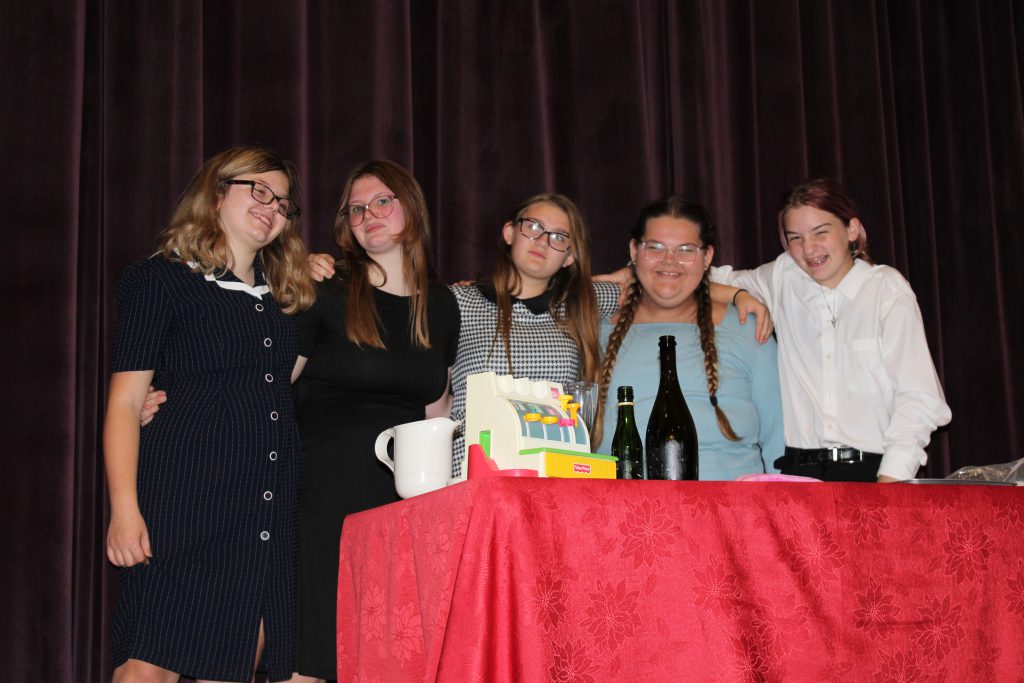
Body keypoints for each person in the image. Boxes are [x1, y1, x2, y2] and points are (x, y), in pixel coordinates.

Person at [309, 193, 770, 474]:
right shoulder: (455, 302)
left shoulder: (586, 301)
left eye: (559, 237)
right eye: (532, 227)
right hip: (471, 480)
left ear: (570, 256)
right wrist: (324, 268)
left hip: (551, 483)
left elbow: (654, 273)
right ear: (509, 232)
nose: (542, 242)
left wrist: (737, 293)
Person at [103, 146, 314, 682]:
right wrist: (125, 509)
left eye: (283, 202)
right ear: (217, 193)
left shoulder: (287, 298)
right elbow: (127, 402)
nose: (271, 206)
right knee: (150, 665)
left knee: (236, 662)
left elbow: (276, 383)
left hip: (264, 506)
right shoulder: (159, 280)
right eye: (258, 190)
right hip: (184, 499)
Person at [291, 160, 459, 681]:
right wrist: (168, 399)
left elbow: (437, 409)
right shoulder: (326, 287)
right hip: (322, 493)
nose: (369, 215)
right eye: (356, 209)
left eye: (382, 201)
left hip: (401, 501)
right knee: (311, 659)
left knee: (387, 658)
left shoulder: (443, 303)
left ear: (410, 207)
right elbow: (266, 382)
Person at [710, 177, 951, 482]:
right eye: (795, 237)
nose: (808, 249)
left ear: (851, 230)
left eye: (820, 233)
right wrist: (738, 295)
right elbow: (697, 278)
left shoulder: (886, 289)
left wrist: (891, 480)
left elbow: (918, 397)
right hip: (799, 474)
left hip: (875, 474)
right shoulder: (784, 275)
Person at [593, 196, 784, 479]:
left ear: (707, 257)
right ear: (634, 250)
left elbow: (776, 440)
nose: (670, 261)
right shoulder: (595, 330)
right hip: (622, 513)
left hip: (732, 514)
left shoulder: (747, 327)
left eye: (686, 249)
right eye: (655, 247)